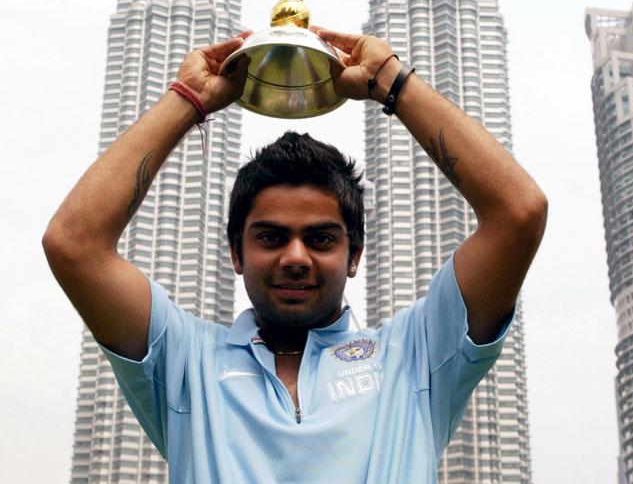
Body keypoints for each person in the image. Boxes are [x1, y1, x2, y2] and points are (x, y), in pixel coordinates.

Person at [43, 27, 547, 483]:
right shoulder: (185, 361)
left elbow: (519, 213)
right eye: (270, 237)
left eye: (322, 239)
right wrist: (189, 98)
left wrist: (389, 80)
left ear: (355, 255)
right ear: (235, 253)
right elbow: (74, 244)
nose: (296, 257)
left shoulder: (414, 357)